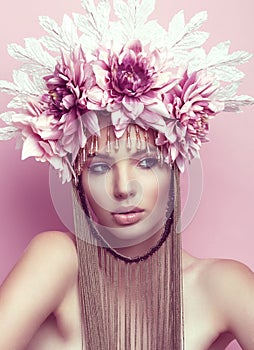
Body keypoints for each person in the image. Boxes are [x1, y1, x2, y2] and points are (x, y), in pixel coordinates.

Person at [0, 1, 254, 349]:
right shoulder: (57, 260)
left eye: (146, 163)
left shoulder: (220, 286)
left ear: (175, 167)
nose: (123, 188)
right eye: (100, 167)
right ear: (77, 180)